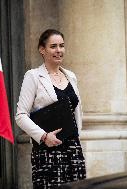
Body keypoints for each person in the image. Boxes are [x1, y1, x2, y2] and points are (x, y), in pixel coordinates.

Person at [15, 29, 86, 188]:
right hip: (48, 150)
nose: (59, 50)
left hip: (73, 149)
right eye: (53, 46)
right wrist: (44, 136)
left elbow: (76, 112)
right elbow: (20, 115)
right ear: (42, 49)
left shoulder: (71, 76)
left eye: (61, 46)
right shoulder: (33, 76)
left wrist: (76, 137)